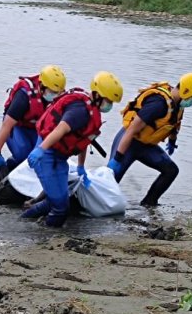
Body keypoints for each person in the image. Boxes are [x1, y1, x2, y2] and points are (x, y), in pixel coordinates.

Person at [21, 71, 123, 227]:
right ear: (97, 95)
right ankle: (46, 235)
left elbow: (84, 141)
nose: (109, 105)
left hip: (59, 157)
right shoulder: (80, 111)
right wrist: (40, 150)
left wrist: (81, 166)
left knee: (57, 201)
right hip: (47, 154)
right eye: (108, 101)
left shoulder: (92, 113)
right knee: (61, 207)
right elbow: (60, 130)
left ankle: (24, 221)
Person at [106, 73, 192, 207]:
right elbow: (131, 130)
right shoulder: (158, 103)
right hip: (129, 142)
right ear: (186, 91)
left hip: (146, 146)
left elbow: (174, 124)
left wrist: (172, 142)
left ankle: (149, 202)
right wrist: (117, 158)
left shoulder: (177, 105)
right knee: (109, 184)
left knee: (171, 170)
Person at [0, 65, 66, 173]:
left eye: (58, 92)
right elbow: (7, 125)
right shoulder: (24, 97)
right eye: (52, 91)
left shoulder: (59, 98)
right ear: (41, 86)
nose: (55, 95)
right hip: (17, 126)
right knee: (24, 155)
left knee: (44, 156)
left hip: (36, 128)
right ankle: (7, 164)